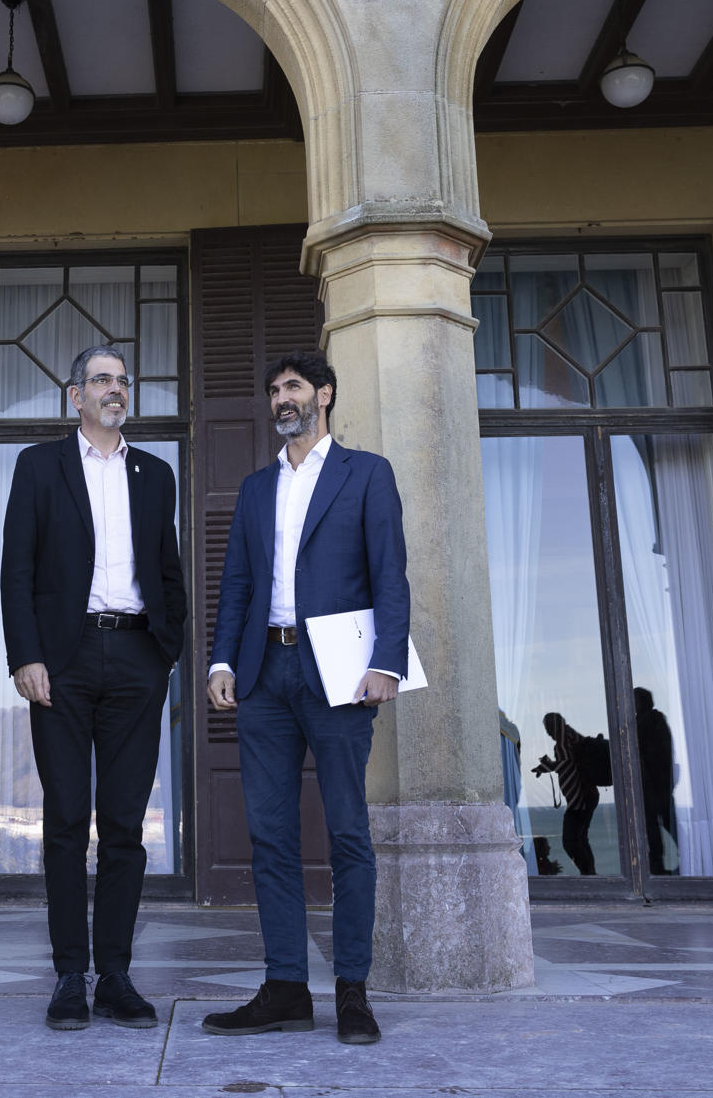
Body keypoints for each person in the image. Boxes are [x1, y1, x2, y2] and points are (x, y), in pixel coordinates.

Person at [203, 350, 407, 1047]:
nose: (280, 399)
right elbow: (235, 582)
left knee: (348, 832)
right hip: (264, 674)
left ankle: (352, 988)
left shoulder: (367, 474)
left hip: (342, 675)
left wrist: (387, 662)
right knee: (271, 835)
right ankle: (287, 985)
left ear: (324, 393)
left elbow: (392, 574)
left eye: (292, 387)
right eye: (273, 391)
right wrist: (223, 659)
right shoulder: (258, 488)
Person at [0, 345, 188, 1030]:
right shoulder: (38, 466)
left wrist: (164, 652)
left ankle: (115, 973)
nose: (115, 389)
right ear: (74, 396)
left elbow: (168, 569)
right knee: (67, 818)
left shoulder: (154, 472)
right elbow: (15, 568)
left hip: (137, 655)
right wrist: (26, 655)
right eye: (102, 379)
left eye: (122, 380)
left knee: (126, 826)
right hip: (63, 659)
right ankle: (69, 975)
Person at [533, 713, 598, 876]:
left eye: (549, 727)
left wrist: (546, 766)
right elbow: (568, 762)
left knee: (571, 841)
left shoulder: (562, 741)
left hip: (579, 798)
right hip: (585, 795)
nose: (548, 732)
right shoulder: (571, 736)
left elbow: (566, 764)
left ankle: (589, 875)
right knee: (581, 839)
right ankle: (590, 875)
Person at [635, 688, 678, 876]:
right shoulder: (658, 721)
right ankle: (664, 863)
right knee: (666, 825)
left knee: (654, 827)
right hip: (660, 785)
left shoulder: (646, 723)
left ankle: (658, 865)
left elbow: (653, 756)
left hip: (652, 785)